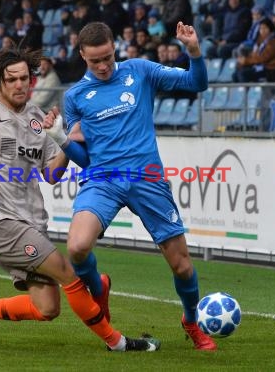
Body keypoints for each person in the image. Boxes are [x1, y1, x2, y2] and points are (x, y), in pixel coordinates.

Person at [0, 47, 160, 352]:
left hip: (32, 224)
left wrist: (63, 139)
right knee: (69, 274)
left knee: (48, 309)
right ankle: (117, 342)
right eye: (12, 79)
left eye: (25, 78)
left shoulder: (38, 119)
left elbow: (51, 175)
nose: (20, 84)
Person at [43, 21, 217, 351]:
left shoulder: (139, 71)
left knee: (182, 266)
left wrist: (192, 50)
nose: (104, 66)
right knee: (77, 247)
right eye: (96, 61)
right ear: (82, 55)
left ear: (114, 48)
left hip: (147, 178)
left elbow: (197, 82)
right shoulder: (77, 96)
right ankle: (99, 289)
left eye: (108, 57)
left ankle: (191, 321)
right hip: (103, 179)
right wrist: (60, 139)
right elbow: (85, 159)